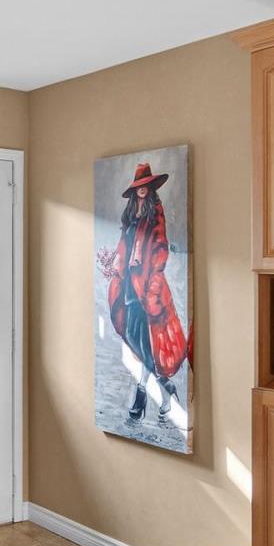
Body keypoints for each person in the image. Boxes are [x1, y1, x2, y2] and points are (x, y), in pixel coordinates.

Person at [99, 162, 190, 423]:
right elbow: (123, 246)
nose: (142, 191)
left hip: (147, 287)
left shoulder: (154, 214)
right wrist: (115, 265)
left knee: (147, 346)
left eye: (145, 186)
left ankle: (140, 397)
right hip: (128, 284)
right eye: (138, 187)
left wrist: (152, 282)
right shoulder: (130, 216)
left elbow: (160, 247)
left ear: (150, 188)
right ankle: (167, 390)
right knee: (135, 340)